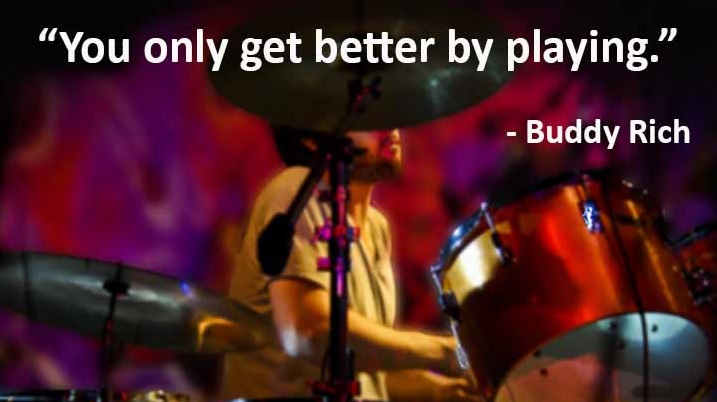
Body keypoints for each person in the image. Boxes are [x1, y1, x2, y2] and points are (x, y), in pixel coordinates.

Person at [220, 126, 483, 402]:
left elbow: (368, 372)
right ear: (312, 140)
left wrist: (441, 390)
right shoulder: (295, 192)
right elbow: (308, 330)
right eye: (368, 118)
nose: (391, 126)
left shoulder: (377, 227)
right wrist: (447, 352)